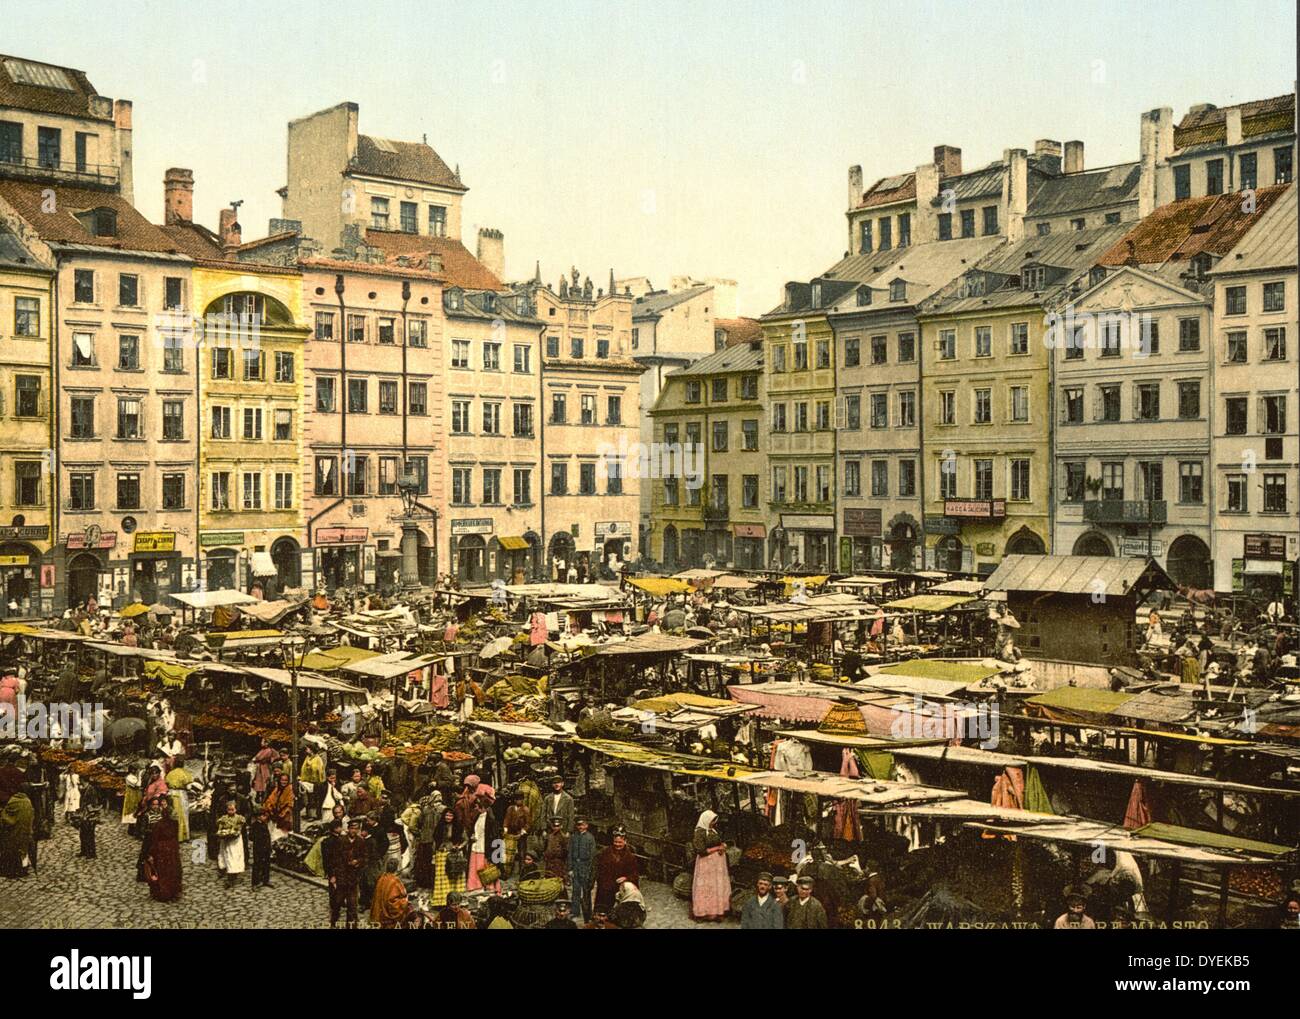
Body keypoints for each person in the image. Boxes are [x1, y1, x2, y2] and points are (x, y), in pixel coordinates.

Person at [691, 808, 732, 922]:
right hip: (706, 864)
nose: (714, 823)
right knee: (706, 888)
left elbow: (718, 842)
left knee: (717, 886)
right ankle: (704, 913)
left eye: (714, 821)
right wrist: (717, 848)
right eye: (712, 821)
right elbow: (701, 850)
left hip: (718, 864)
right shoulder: (699, 832)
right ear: (706, 820)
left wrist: (722, 846)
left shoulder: (713, 830)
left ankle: (717, 911)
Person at [329, 818, 368, 929]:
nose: (354, 831)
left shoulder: (360, 842)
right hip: (342, 877)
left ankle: (350, 926)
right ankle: (333, 921)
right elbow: (334, 859)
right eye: (352, 828)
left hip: (353, 878)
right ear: (348, 829)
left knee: (352, 905)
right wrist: (333, 875)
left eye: (356, 829)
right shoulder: (341, 841)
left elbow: (365, 857)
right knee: (338, 902)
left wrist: (358, 862)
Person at [144, 797, 182, 902]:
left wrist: (151, 853)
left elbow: (155, 840)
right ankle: (173, 892)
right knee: (173, 871)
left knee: (163, 872)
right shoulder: (174, 824)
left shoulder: (158, 825)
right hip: (172, 849)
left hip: (162, 850)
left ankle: (164, 893)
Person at [594, 825, 639, 913]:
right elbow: (598, 868)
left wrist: (626, 878)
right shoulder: (605, 852)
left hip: (621, 887)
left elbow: (635, 873)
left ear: (625, 841)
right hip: (606, 886)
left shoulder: (630, 856)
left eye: (620, 842)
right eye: (615, 842)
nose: (617, 845)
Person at [0, 766, 34, 878]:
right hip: (25, 831)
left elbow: (5, 817)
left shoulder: (14, 801)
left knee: (12, 850)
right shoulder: (28, 802)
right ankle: (23, 869)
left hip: (14, 831)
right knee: (23, 850)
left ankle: (12, 871)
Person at [467, 786, 501, 892]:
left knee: (485, 869)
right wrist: (472, 836)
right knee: (474, 868)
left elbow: (494, 837)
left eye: (477, 807)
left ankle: (488, 887)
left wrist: (494, 853)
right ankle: (475, 886)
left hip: (484, 847)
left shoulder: (490, 821)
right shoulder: (477, 818)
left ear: (482, 807)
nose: (476, 809)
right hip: (476, 846)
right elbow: (474, 831)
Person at [431, 808, 466, 907]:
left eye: (450, 815)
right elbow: (435, 841)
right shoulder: (439, 826)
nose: (448, 817)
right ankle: (442, 901)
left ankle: (455, 900)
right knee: (442, 878)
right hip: (441, 854)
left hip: (453, 854)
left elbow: (465, 839)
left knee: (454, 878)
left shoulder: (458, 826)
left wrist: (459, 847)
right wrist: (434, 854)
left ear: (454, 817)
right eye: (446, 815)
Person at [568, 816, 597, 921]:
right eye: (578, 825)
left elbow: (593, 857)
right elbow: (570, 853)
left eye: (582, 825)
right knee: (575, 890)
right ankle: (575, 911)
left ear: (587, 825)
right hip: (576, 866)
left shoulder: (590, 838)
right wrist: (570, 869)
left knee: (586, 892)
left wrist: (590, 871)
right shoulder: (573, 837)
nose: (580, 827)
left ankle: (587, 913)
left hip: (585, 867)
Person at [214, 800, 246, 889]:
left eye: (232, 810)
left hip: (235, 841)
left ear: (236, 809)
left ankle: (232, 876)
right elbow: (219, 824)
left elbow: (240, 826)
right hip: (226, 840)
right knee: (226, 856)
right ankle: (227, 872)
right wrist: (222, 831)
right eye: (229, 810)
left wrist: (236, 830)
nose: (231, 812)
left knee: (234, 856)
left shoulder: (239, 818)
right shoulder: (224, 818)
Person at [370, 857, 409, 928]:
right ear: (396, 868)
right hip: (387, 916)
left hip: (377, 915)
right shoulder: (395, 881)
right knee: (409, 907)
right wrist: (405, 901)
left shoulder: (381, 878)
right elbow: (395, 900)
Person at [502, 791, 531, 877]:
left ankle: (522, 872)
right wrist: (505, 829)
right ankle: (508, 871)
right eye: (517, 799)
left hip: (521, 834)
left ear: (523, 800)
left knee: (522, 853)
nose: (518, 801)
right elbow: (506, 820)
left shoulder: (525, 809)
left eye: (520, 799)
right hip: (511, 833)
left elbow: (528, 824)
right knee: (509, 853)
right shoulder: (510, 809)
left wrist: (522, 832)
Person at [73, 781, 101, 859]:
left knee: (89, 834)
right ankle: (84, 850)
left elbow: (94, 803)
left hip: (89, 815)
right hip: (84, 814)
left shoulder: (91, 789)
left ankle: (91, 852)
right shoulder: (84, 789)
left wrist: (91, 813)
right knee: (82, 834)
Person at [248, 804, 273, 888]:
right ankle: (255, 882)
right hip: (258, 848)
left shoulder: (264, 824)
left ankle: (266, 880)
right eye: (263, 815)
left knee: (266, 864)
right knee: (257, 865)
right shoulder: (254, 826)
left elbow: (268, 836)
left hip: (266, 848)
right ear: (258, 817)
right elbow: (251, 837)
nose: (265, 817)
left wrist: (269, 846)